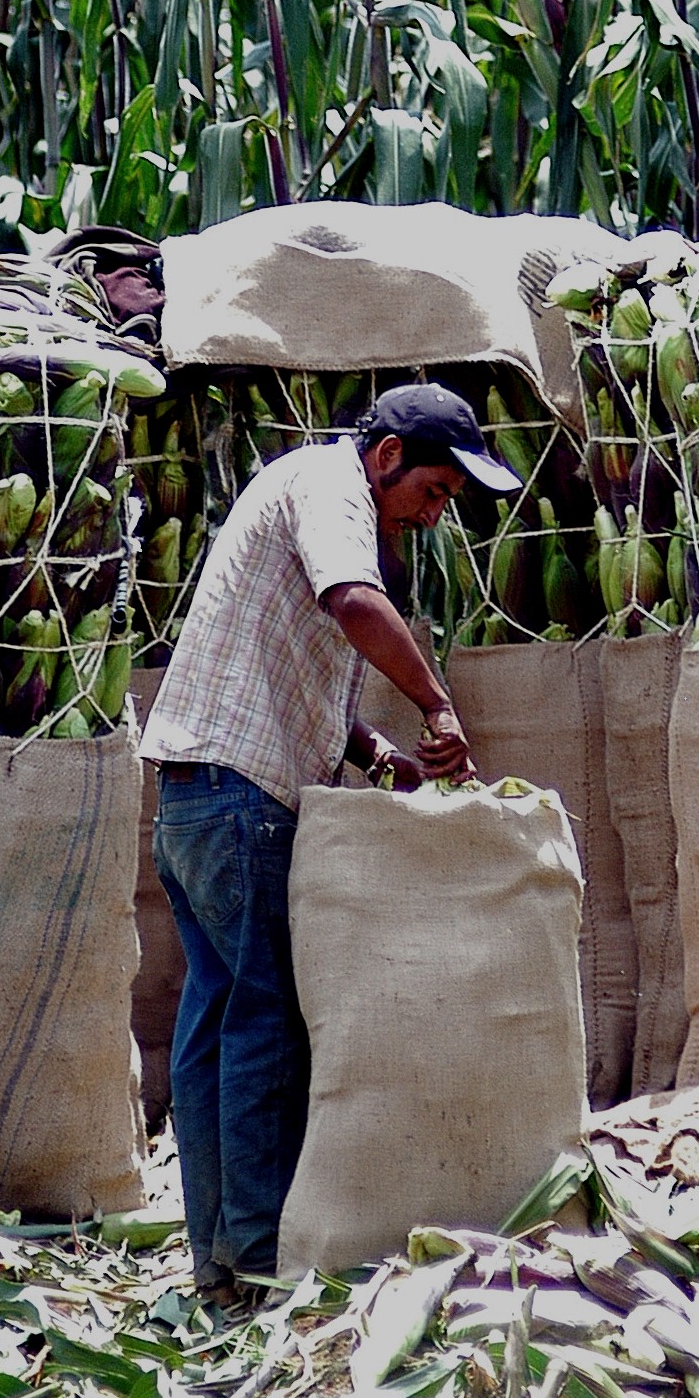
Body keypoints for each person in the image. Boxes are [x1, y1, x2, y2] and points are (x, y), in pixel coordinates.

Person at [139, 381, 521, 1306]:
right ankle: (265, 1258)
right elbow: (350, 602)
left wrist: (380, 751)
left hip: (197, 790)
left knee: (216, 1023)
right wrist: (435, 703)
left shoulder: (310, 494)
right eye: (432, 492)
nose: (433, 515)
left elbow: (292, 663)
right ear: (387, 458)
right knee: (264, 1021)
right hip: (238, 798)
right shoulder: (331, 486)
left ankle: (219, 1262)